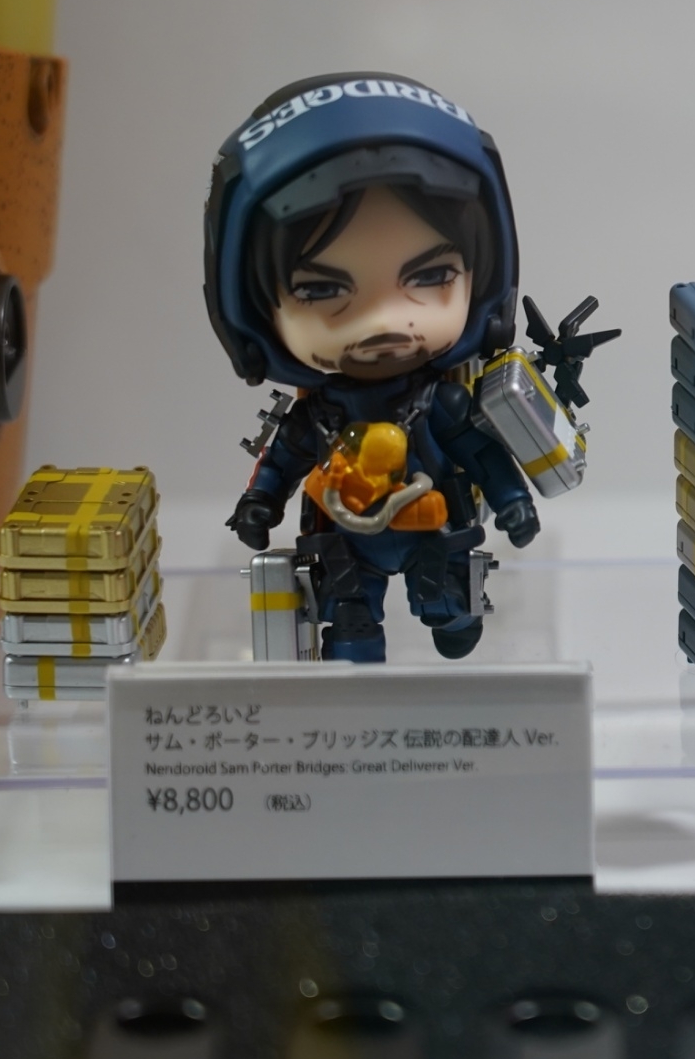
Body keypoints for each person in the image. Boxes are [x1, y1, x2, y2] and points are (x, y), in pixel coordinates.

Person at [203, 72, 567, 661]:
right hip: (346, 543)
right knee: (350, 628)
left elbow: (481, 454)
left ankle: (449, 620)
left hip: (435, 535)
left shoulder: (441, 402)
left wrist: (512, 502)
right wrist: (260, 504)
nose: (384, 321)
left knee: (451, 614)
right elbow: (283, 462)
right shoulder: (320, 415)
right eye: (321, 290)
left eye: (430, 276)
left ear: (482, 280)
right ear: (252, 308)